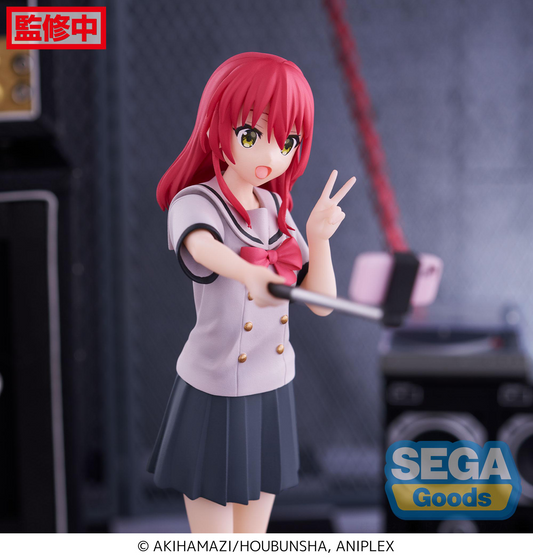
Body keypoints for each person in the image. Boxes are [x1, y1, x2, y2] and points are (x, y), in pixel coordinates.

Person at [148, 52, 355, 533]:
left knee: (253, 534)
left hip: (271, 384)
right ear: (215, 127)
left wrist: (318, 238)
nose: (270, 156)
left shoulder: (275, 207)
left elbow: (321, 305)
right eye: (250, 136)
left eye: (288, 141)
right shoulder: (195, 200)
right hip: (216, 387)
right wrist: (248, 272)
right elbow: (201, 244)